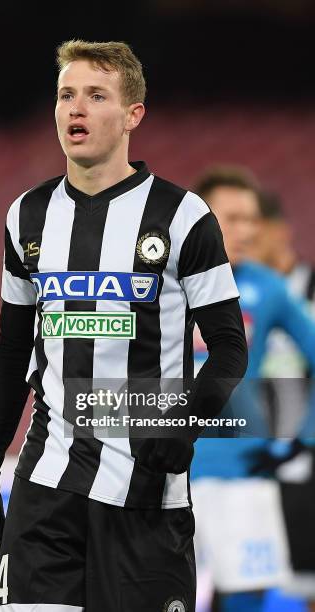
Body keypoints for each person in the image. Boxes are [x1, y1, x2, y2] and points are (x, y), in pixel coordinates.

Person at [0, 41, 248, 612]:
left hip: (145, 493)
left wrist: (183, 429)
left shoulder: (183, 216)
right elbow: (13, 349)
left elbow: (228, 348)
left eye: (96, 96)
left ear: (132, 116)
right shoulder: (27, 216)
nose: (77, 109)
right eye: (67, 95)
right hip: (46, 485)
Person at [190, 167, 315, 612]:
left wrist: (300, 438)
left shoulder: (268, 288)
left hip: (241, 471)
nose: (245, 230)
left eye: (251, 219)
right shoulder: (153, 284)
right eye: (232, 217)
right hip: (154, 473)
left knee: (245, 600)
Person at [250, 190, 315, 612]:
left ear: (278, 231)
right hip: (254, 458)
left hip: (305, 459)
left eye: (255, 230)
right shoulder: (236, 297)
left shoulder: (308, 291)